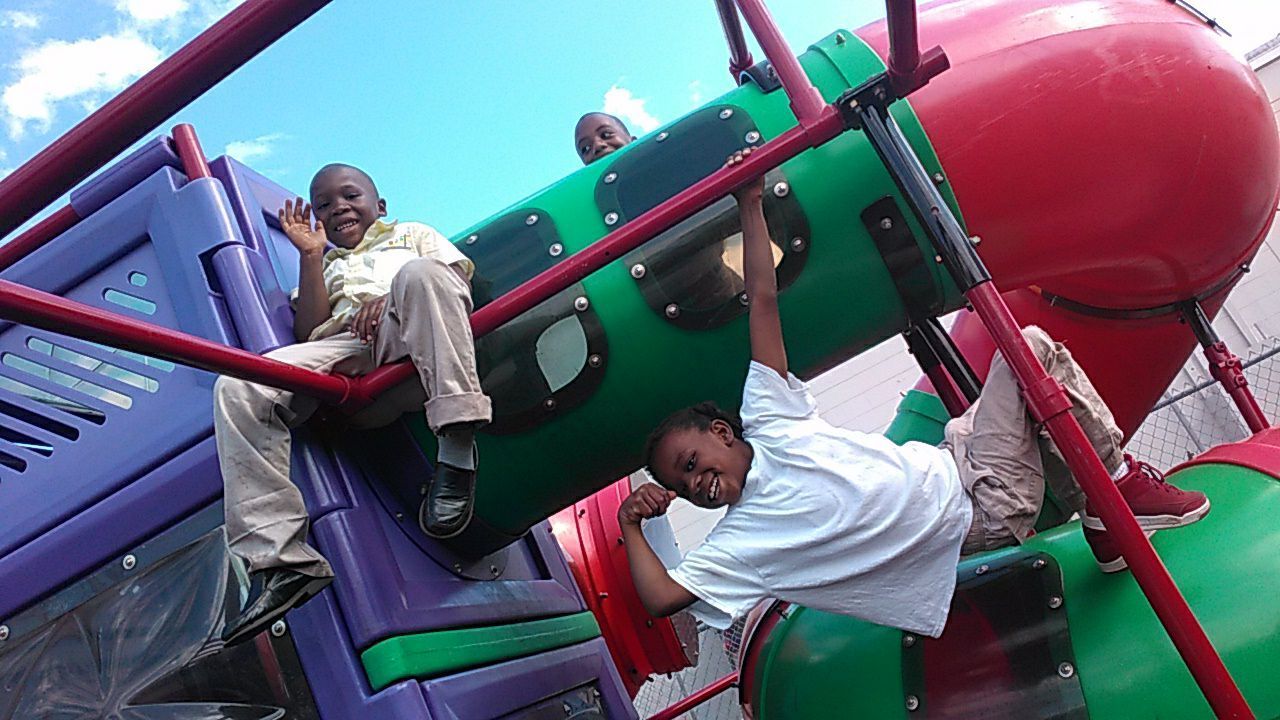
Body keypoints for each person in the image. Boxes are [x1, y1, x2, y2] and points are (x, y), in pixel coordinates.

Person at [617, 148, 1211, 638]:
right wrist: (630, 524)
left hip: (959, 456)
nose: (693, 484)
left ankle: (1104, 506)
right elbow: (664, 595)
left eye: (691, 464)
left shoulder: (770, 420)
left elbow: (763, 301)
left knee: (1029, 365)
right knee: (1030, 348)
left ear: (723, 432)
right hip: (980, 509)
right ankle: (1118, 489)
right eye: (680, 486)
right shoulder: (744, 540)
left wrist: (750, 203)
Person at [214, 164, 491, 646]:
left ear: (379, 206)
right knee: (239, 386)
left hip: (410, 339)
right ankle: (280, 560)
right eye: (323, 204)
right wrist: (310, 255)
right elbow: (309, 332)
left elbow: (453, 286)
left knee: (422, 275)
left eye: (350, 196)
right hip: (345, 350)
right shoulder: (327, 264)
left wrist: (388, 300)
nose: (337, 206)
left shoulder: (410, 235)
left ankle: (459, 442)